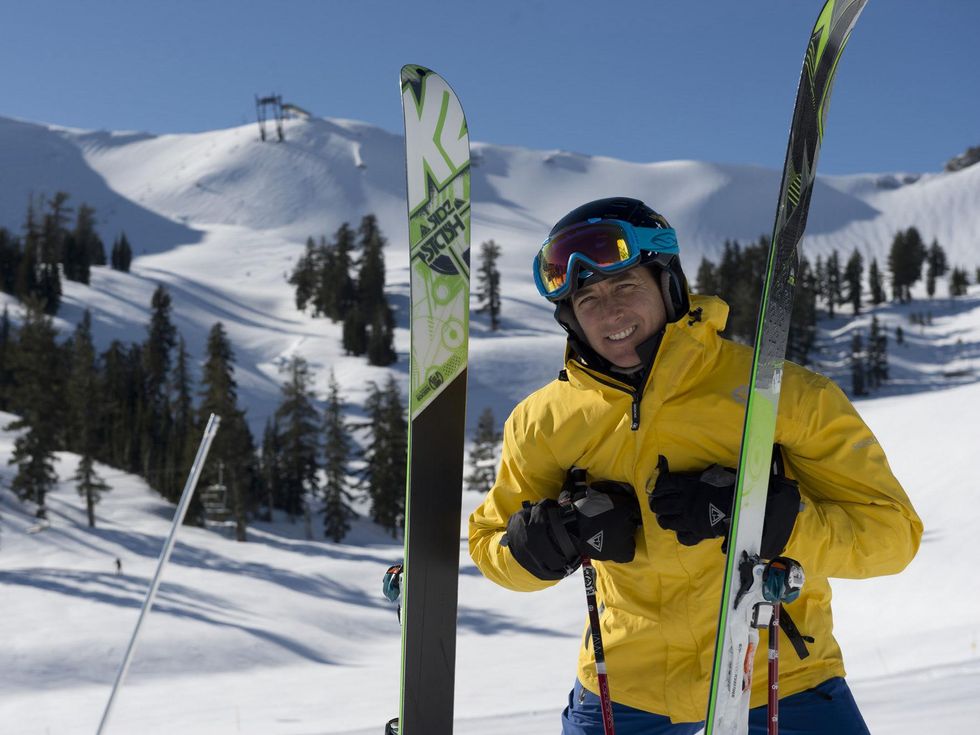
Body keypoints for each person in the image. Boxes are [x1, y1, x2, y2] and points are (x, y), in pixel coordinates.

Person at [467, 197, 922, 734]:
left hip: (777, 676)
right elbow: (490, 543)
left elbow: (892, 535)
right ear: (569, 315)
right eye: (587, 298)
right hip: (623, 686)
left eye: (625, 287)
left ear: (669, 285)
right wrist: (544, 542)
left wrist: (768, 520)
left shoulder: (782, 394)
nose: (608, 313)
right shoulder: (543, 421)